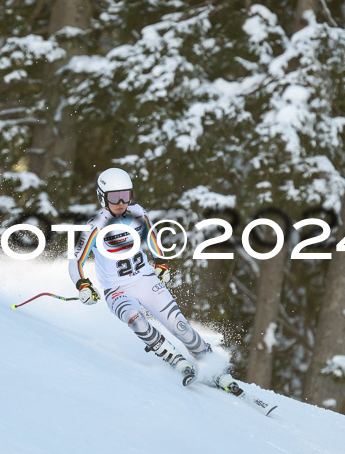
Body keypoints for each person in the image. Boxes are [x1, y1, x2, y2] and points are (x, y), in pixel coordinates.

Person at [69, 167, 241, 393]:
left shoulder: (138, 213)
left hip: (145, 280)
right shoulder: (96, 226)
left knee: (179, 326)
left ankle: (213, 364)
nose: (121, 202)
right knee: (134, 318)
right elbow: (75, 262)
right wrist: (83, 285)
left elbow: (151, 237)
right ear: (103, 197)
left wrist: (161, 262)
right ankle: (172, 357)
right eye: (114, 197)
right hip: (117, 290)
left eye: (126, 195)